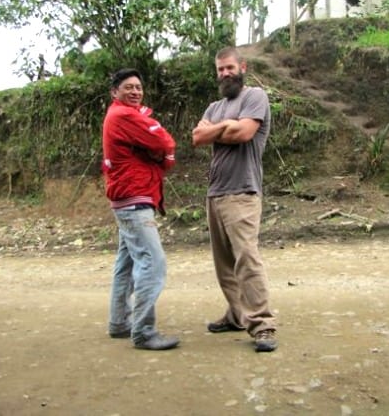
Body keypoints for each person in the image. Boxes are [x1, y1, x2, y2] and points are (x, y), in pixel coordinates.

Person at [191, 46, 277, 352]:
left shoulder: (255, 97)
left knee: (246, 259)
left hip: (242, 191)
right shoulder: (214, 107)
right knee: (224, 264)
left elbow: (243, 134)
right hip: (215, 193)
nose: (225, 73)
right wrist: (224, 127)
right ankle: (237, 314)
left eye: (229, 67)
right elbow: (197, 138)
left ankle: (263, 324)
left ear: (242, 67)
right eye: (220, 70)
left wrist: (219, 130)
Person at [102, 68, 180, 351]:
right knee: (152, 261)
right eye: (128, 87)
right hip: (134, 200)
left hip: (127, 197)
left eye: (138, 87)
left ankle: (119, 322)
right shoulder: (124, 115)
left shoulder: (121, 115)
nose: (135, 91)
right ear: (115, 92)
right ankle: (144, 331)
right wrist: (162, 156)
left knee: (127, 263)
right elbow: (164, 142)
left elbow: (159, 146)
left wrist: (157, 155)